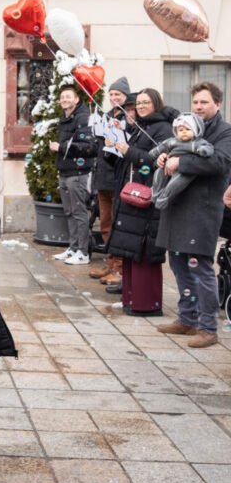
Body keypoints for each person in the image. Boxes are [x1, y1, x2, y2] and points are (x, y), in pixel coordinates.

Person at [156, 81, 231, 347]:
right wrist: (164, 158)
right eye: (196, 102)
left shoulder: (225, 132)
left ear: (217, 104)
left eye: (204, 102)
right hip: (177, 205)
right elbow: (172, 149)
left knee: (201, 269)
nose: (198, 107)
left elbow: (220, 162)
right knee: (177, 265)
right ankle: (187, 319)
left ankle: (208, 328)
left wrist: (181, 162)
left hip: (202, 209)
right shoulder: (185, 125)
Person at [105, 89, 174, 316]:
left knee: (143, 251)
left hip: (147, 197)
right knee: (130, 249)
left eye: (146, 102)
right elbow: (128, 160)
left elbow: (155, 162)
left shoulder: (163, 128)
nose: (141, 106)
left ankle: (145, 303)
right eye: (139, 103)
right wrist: (114, 145)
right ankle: (131, 299)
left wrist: (128, 150)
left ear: (156, 103)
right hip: (131, 195)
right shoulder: (140, 127)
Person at [49, 84, 95, 266]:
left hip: (78, 173)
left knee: (79, 212)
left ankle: (83, 252)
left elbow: (88, 147)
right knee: (69, 212)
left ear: (76, 99)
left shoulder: (83, 117)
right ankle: (74, 247)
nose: (64, 99)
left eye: (68, 96)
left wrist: (60, 147)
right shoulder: (65, 118)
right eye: (62, 97)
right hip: (65, 171)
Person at [89, 77, 130, 284]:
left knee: (117, 223)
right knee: (105, 223)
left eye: (118, 94)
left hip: (118, 178)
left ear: (126, 96)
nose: (114, 97)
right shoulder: (105, 116)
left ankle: (120, 268)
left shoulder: (129, 118)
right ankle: (110, 263)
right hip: (103, 177)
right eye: (112, 94)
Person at [150, 114, 214, 210]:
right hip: (167, 165)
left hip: (185, 170)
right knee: (158, 173)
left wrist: (203, 151)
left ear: (196, 130)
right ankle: (156, 194)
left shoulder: (197, 143)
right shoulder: (172, 141)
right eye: (180, 130)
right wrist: (156, 153)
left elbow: (208, 148)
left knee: (176, 183)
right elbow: (162, 147)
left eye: (188, 129)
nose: (184, 132)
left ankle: (164, 198)